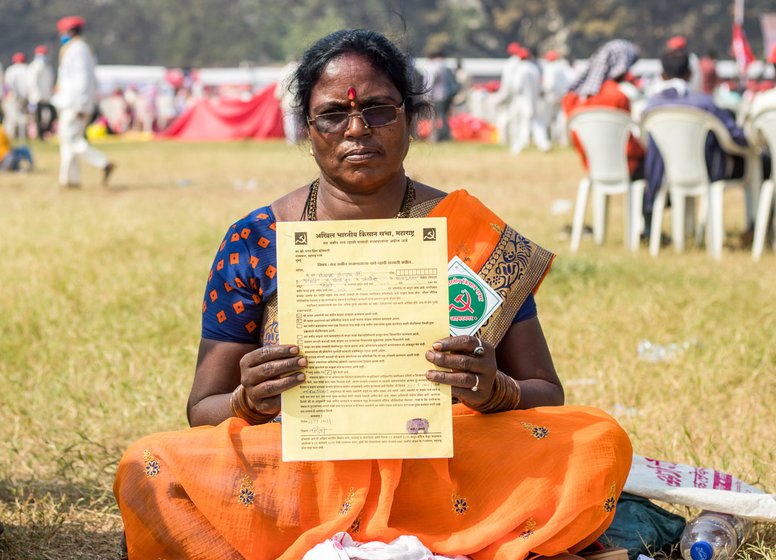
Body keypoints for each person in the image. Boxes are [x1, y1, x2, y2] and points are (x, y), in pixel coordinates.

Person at [114, 29, 632, 560]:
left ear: (410, 117)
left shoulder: (469, 235)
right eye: (334, 114)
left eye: (380, 110)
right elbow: (203, 407)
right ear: (309, 129)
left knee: (597, 439)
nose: (357, 130)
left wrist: (495, 391)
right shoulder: (258, 238)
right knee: (151, 465)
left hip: (443, 464)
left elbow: (545, 390)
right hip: (301, 469)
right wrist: (248, 401)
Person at [642, 47, 750, 234]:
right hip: (708, 172)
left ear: (662, 75)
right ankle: (754, 226)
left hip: (662, 174)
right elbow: (737, 137)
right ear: (690, 73)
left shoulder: (651, 107)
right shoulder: (705, 103)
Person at [562, 39, 645, 180]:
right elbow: (627, 144)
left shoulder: (572, 98)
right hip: (623, 165)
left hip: (591, 164)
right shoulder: (617, 96)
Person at [52, 16, 115, 188]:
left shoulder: (77, 49)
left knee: (71, 140)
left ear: (68, 32)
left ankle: (102, 162)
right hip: (73, 103)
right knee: (67, 141)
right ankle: (70, 180)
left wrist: (80, 104)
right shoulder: (76, 48)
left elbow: (83, 79)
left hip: (75, 104)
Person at [425, 50, 458, 142]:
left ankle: (434, 136)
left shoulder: (433, 66)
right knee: (444, 116)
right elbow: (454, 83)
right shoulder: (447, 66)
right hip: (447, 95)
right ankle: (446, 135)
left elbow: (430, 82)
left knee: (433, 117)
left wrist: (427, 94)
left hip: (435, 95)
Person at [26, 45, 56, 140]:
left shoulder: (48, 67)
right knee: (37, 117)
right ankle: (40, 135)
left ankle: (45, 130)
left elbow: (50, 81)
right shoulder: (34, 66)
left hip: (47, 96)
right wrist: (35, 95)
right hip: (37, 97)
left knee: (52, 114)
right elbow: (32, 82)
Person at [2, 52, 29, 141]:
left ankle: (9, 138)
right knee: (23, 118)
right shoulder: (27, 69)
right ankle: (23, 137)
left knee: (11, 119)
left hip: (12, 98)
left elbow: (6, 85)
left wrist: (7, 95)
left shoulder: (11, 70)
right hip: (24, 98)